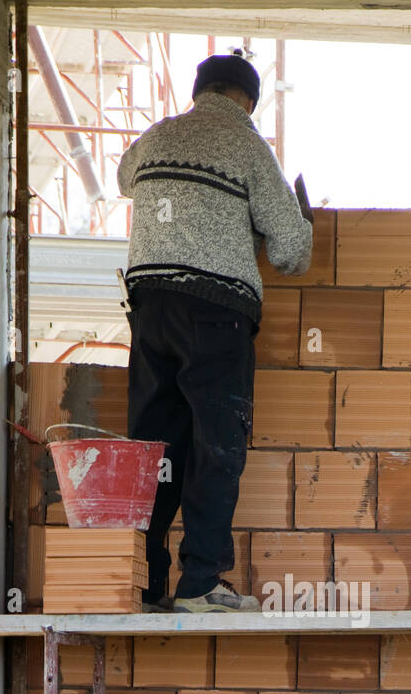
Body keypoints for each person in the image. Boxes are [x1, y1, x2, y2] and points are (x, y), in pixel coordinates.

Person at [116, 50, 313, 612]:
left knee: (157, 448)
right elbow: (292, 254)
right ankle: (200, 584)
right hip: (215, 313)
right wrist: (301, 220)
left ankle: (145, 582)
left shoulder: (156, 136)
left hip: (149, 308)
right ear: (248, 102)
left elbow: (125, 178)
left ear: (199, 91)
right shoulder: (248, 146)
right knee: (217, 445)